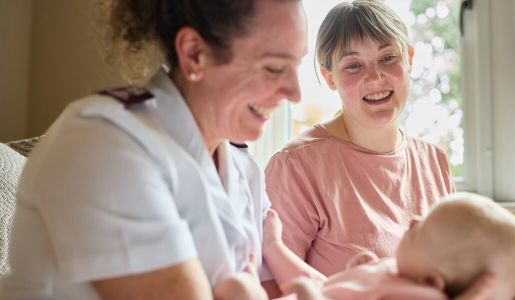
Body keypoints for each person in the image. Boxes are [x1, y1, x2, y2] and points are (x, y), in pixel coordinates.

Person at [0, 0, 308, 299]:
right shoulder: (105, 146)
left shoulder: (244, 170)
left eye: (297, 66)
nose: (295, 93)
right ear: (194, 53)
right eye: (274, 68)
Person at [265, 0, 454, 278]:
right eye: (353, 65)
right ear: (329, 77)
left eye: (388, 58)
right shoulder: (297, 166)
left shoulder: (434, 162)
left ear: (409, 59)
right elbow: (272, 287)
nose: (375, 76)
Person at [263, 192, 515, 300]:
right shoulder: (401, 270)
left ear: (432, 280)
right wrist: (356, 276)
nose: (414, 220)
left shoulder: (422, 295)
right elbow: (332, 287)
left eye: (422, 228)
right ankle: (273, 247)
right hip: (317, 289)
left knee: (240, 289)